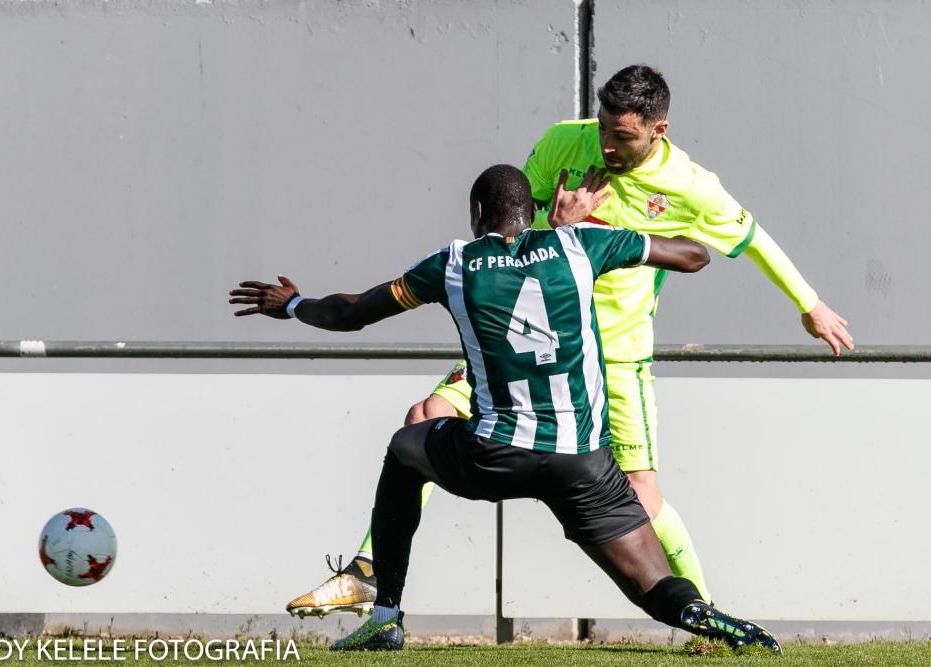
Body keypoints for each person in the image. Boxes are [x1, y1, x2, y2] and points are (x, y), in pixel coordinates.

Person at [285, 64, 854, 616]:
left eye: (621, 135)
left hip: (616, 353)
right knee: (425, 413)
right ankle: (366, 573)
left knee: (642, 496)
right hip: (536, 340)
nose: (605, 144)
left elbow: (749, 239)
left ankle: (703, 614)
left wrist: (810, 304)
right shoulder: (565, 141)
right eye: (602, 126)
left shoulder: (692, 187)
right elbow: (513, 219)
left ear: (660, 130)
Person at [230, 164, 780, 654]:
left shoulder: (453, 263)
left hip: (493, 454)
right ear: (532, 209)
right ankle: (698, 614)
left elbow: (353, 313)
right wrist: (594, 226)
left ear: (477, 213)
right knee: (655, 591)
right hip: (583, 463)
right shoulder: (581, 246)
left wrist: (295, 305)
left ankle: (385, 616)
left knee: (405, 451)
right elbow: (695, 255)